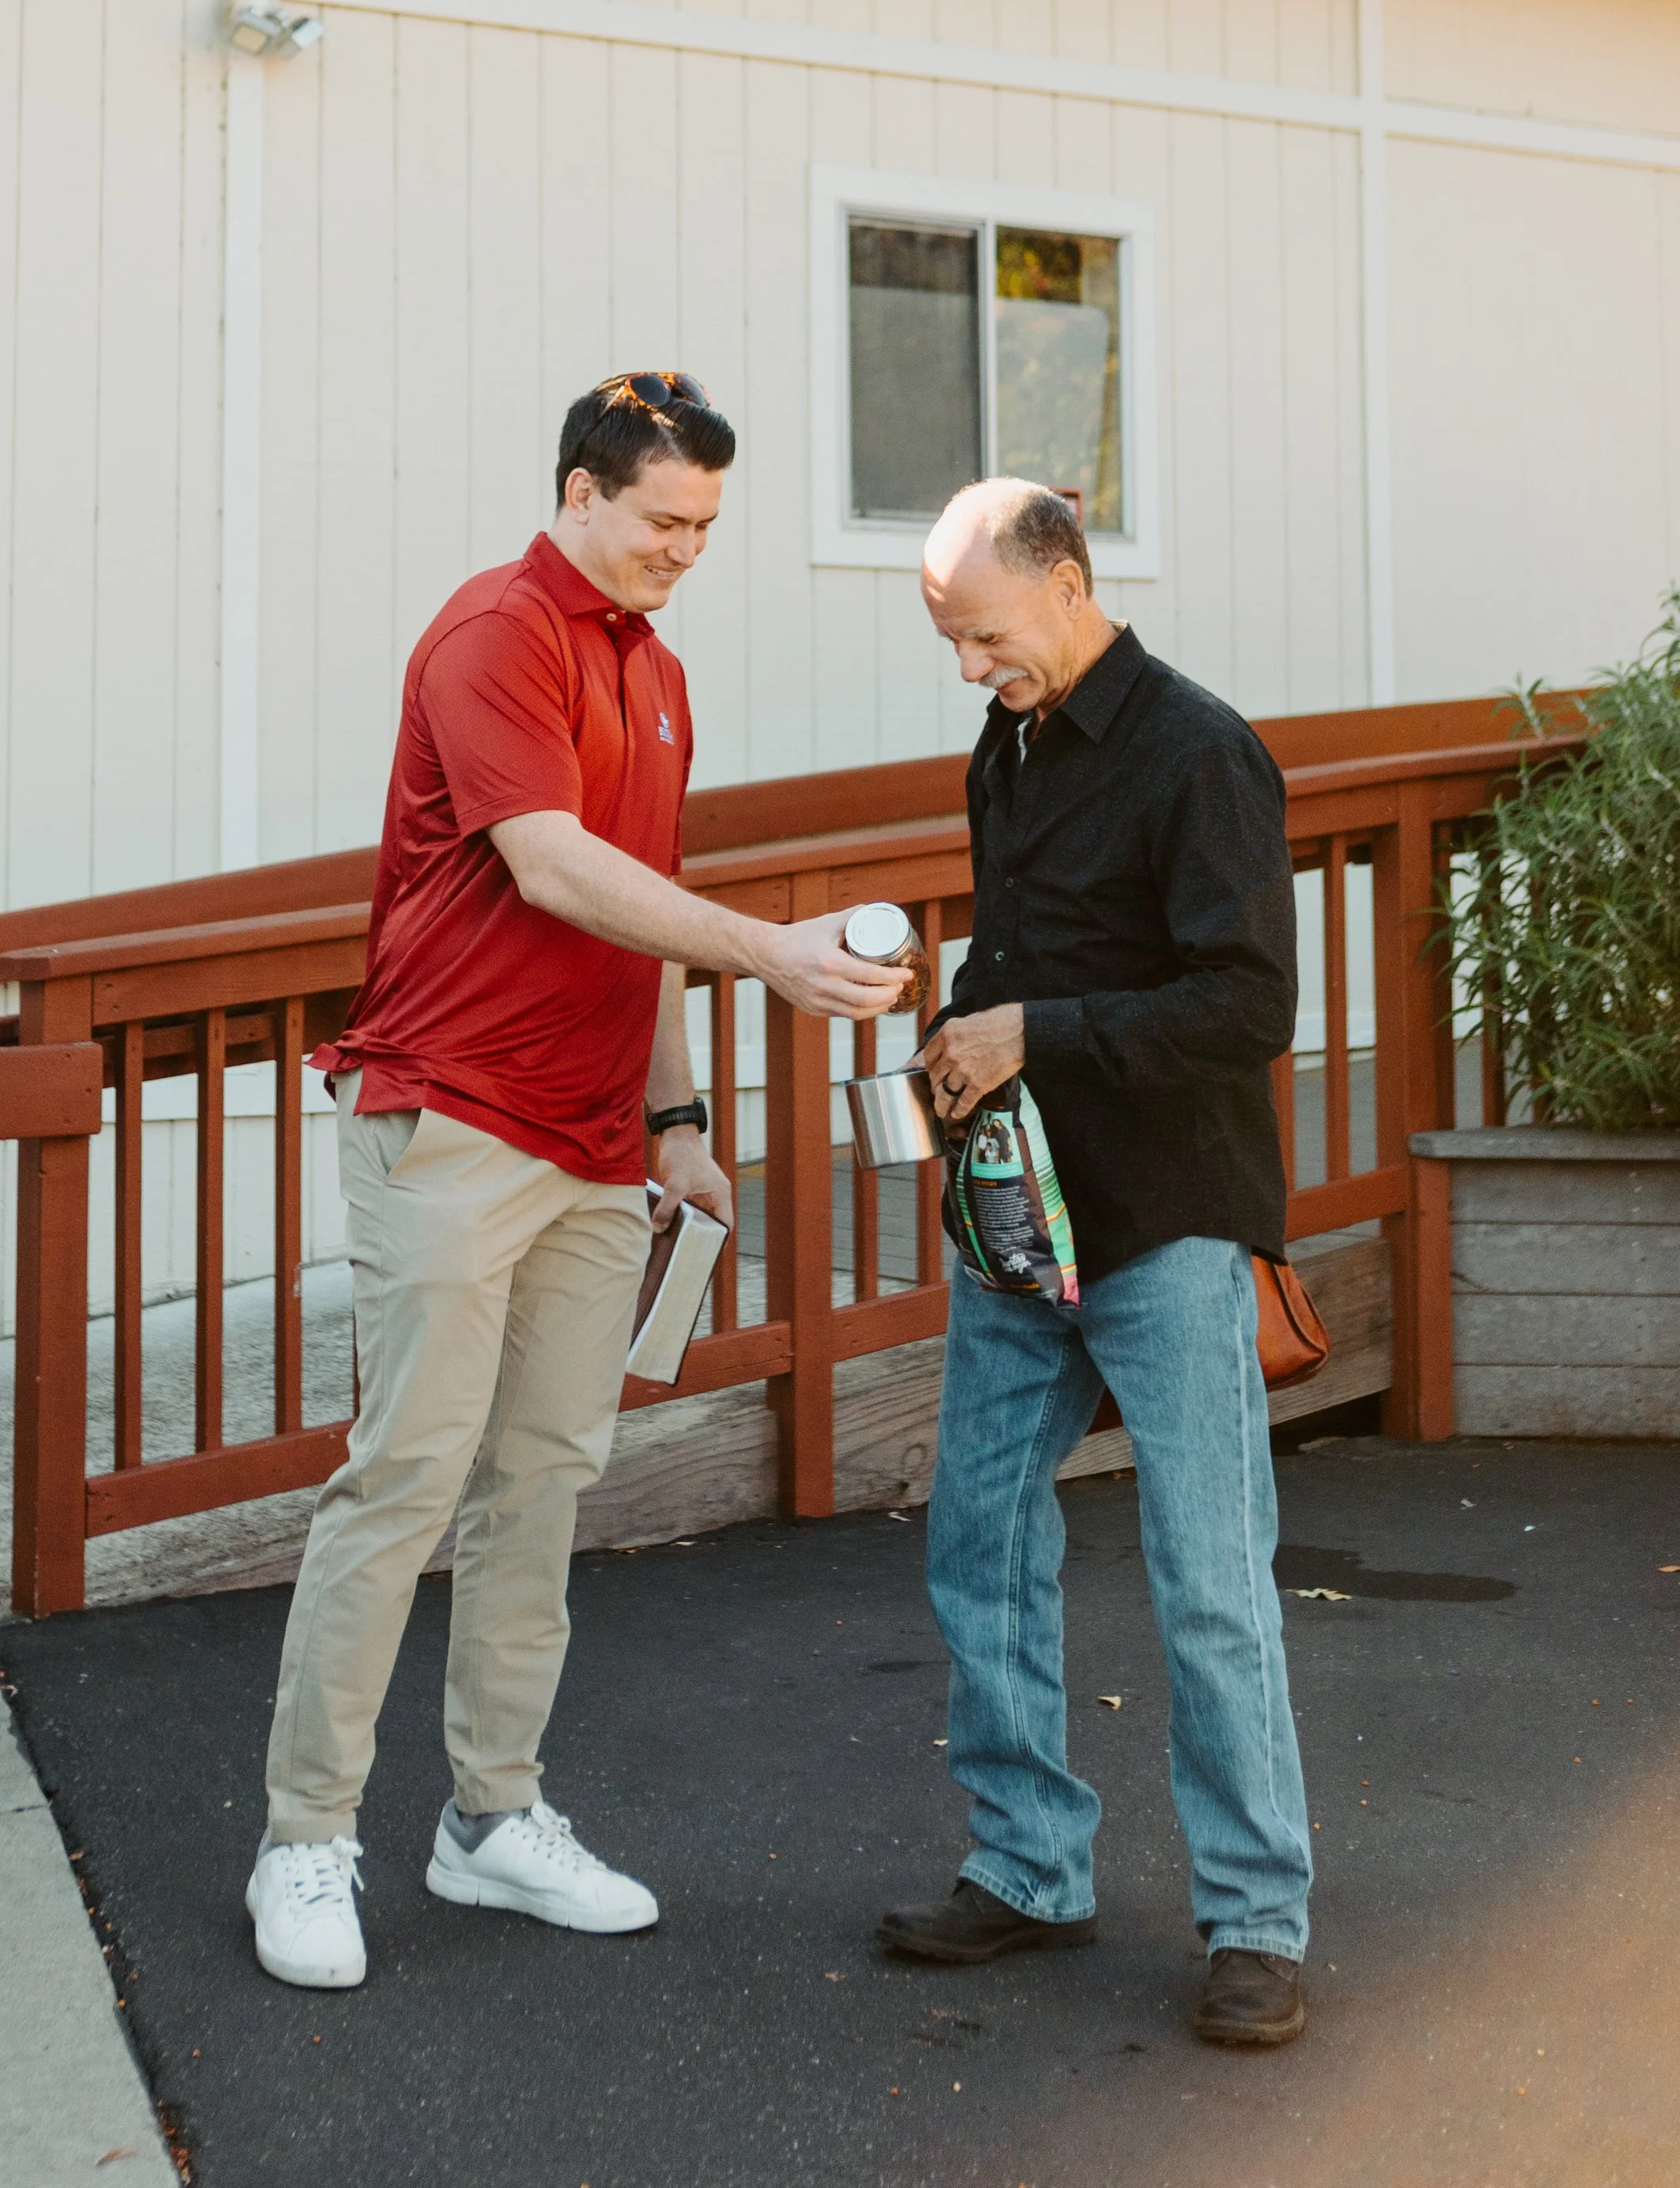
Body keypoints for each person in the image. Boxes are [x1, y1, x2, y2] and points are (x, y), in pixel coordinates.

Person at [249, 373, 900, 1989]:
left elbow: (633, 901)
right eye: (662, 520)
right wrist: (773, 954)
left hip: (599, 1145)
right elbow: (545, 861)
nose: (684, 551)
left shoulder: (659, 670)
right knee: (399, 1483)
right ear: (578, 490)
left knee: (540, 1484)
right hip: (451, 1123)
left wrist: (676, 1115)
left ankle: (490, 1822)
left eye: (705, 529)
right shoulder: (494, 633)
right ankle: (304, 1838)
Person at [877, 481, 1311, 2051]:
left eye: (982, 633)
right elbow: (1036, 943)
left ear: (1066, 582)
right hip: (1014, 1221)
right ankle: (1028, 1865)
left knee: (1207, 1585)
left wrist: (1030, 1032)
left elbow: (1245, 1008)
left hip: (1165, 1225)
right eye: (947, 639)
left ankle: (1257, 1923)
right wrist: (953, 1015)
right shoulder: (1007, 741)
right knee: (973, 1546)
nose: (967, 666)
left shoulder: (1203, 752)